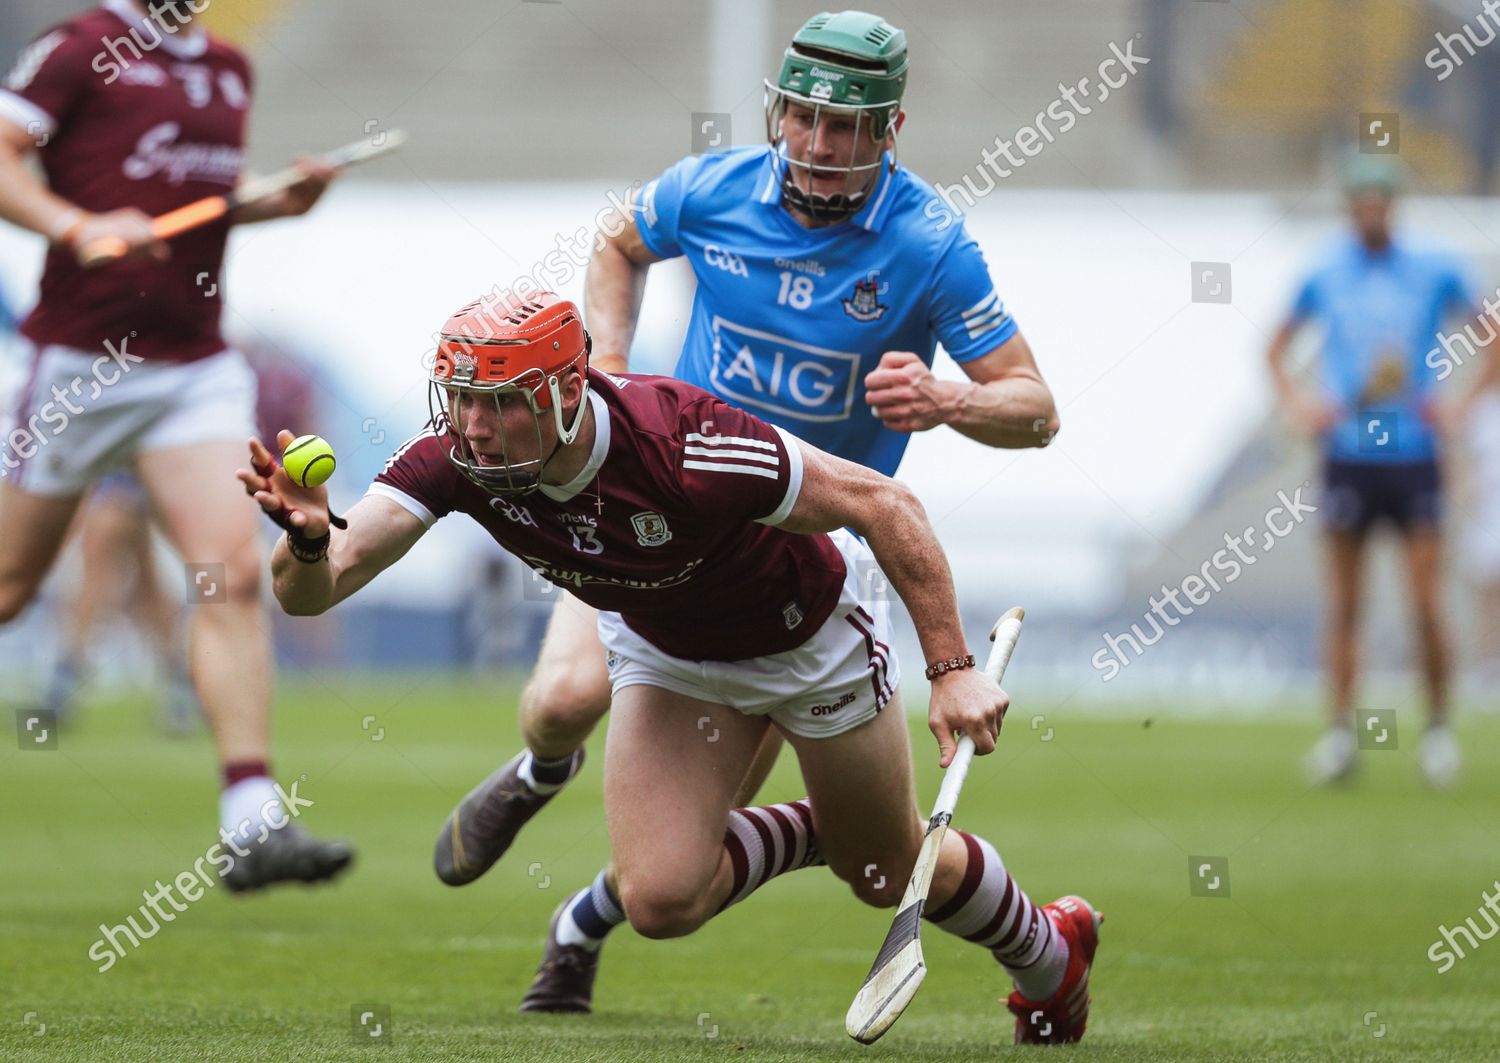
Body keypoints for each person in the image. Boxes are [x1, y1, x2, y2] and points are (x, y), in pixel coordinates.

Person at [239, 291, 1099, 1044]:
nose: (471, 425)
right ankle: (817, 828)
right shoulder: (457, 463)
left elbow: (885, 502)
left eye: (498, 403)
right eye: (460, 399)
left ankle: (1051, 957)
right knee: (659, 902)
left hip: (806, 646)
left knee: (882, 873)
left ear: (567, 392)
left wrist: (951, 668)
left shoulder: (686, 445)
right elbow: (315, 592)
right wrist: (311, 539)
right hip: (669, 657)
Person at [430, 10, 1061, 1014]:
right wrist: (609, 368)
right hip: (658, 511)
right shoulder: (713, 188)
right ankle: (542, 771)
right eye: (801, 117)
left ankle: (586, 919)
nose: (816, 145)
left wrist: (953, 401)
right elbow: (618, 240)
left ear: (891, 131)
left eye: (845, 128)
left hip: (793, 565)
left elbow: (1037, 411)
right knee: (558, 702)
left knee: (699, 857)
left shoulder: (931, 244)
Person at [0, 0, 352, 888]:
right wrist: (74, 226)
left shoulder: (232, 69)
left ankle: (252, 819)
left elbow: (200, 213)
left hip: (192, 365)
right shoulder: (81, 47)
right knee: (8, 589)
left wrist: (278, 204)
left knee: (229, 574)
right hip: (78, 362)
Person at [1266, 155, 1498, 789]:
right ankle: (1341, 736)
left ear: (1394, 204)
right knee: (1346, 604)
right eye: (1361, 199)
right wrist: (1299, 403)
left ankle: (1439, 733)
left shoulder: (1435, 267)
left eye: (1381, 199)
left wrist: (1463, 405)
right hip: (1348, 454)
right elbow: (1276, 348)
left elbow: (1492, 335)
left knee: (1426, 603)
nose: (1372, 209)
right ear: (1349, 206)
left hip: (1414, 454)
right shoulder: (1325, 272)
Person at [44, 472, 199, 734]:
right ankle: (179, 685)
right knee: (141, 573)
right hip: (116, 461)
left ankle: (64, 679)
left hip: (140, 458)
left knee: (105, 552)